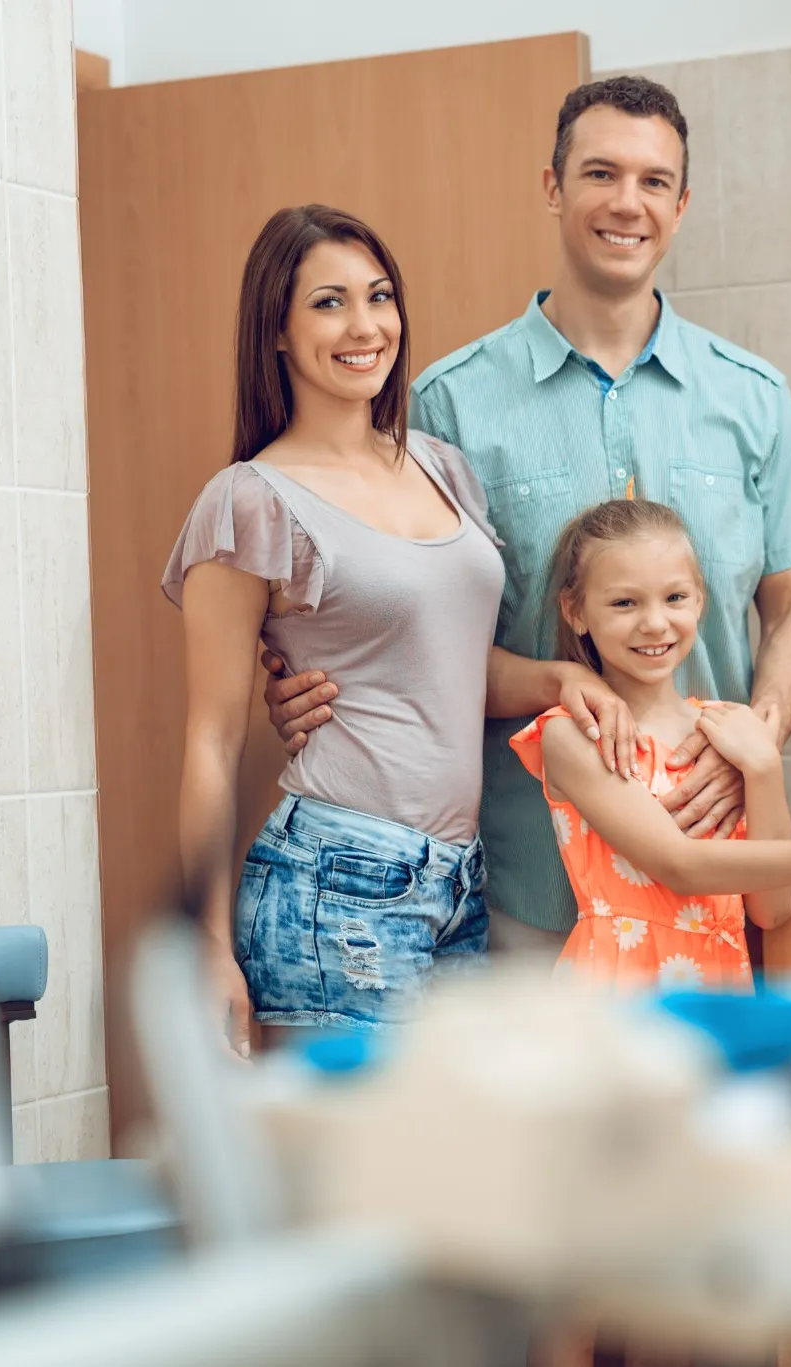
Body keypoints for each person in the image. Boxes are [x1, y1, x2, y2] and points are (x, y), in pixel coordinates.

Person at [263, 76, 791, 963]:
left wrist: (752, 741)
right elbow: (425, 645)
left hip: (717, 885)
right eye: (601, 173)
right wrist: (310, 670)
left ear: (681, 205)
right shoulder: (448, 407)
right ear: (553, 187)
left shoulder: (753, 399)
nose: (627, 203)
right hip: (527, 887)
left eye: (654, 181)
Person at [166, 205, 635, 1050]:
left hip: (457, 879)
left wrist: (560, 678)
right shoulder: (250, 501)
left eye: (379, 297)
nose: (365, 326)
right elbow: (211, 741)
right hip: (333, 880)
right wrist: (206, 944)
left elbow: (452, 668)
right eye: (329, 303)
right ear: (276, 332)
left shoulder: (441, 468)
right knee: (352, 1139)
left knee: (443, 1134)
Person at [509, 499, 791, 993]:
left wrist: (764, 768)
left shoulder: (726, 731)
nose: (654, 623)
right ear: (575, 611)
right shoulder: (575, 734)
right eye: (624, 603)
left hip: (718, 992)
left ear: (700, 601)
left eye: (674, 597)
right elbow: (680, 866)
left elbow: (771, 909)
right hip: (618, 996)